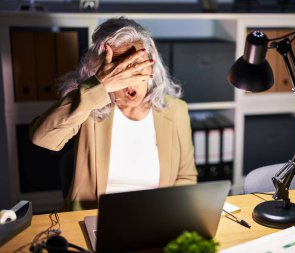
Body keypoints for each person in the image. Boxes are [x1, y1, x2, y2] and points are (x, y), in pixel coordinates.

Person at [29, 17, 197, 211]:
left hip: (155, 215)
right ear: (102, 71)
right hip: (94, 216)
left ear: (151, 67)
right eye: (120, 70)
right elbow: (43, 138)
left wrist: (165, 215)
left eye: (137, 66)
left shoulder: (176, 111)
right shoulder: (89, 106)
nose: (129, 78)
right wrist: (98, 88)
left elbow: (186, 177)